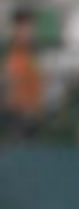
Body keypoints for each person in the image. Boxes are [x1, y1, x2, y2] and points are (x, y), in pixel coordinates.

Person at [2, 8, 43, 138]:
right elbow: (8, 83)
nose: (27, 32)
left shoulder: (34, 53)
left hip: (30, 115)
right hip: (13, 115)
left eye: (30, 27)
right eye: (23, 27)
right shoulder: (10, 53)